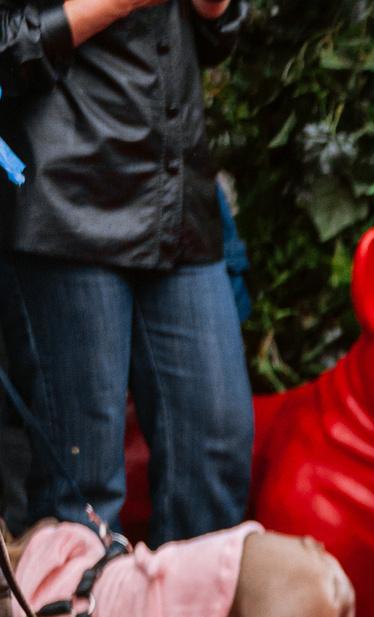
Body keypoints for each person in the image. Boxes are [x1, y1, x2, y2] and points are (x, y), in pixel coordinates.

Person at [0, 0, 252, 546]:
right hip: (63, 208)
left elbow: (221, 35)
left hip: (177, 206)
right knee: (82, 494)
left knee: (215, 456)